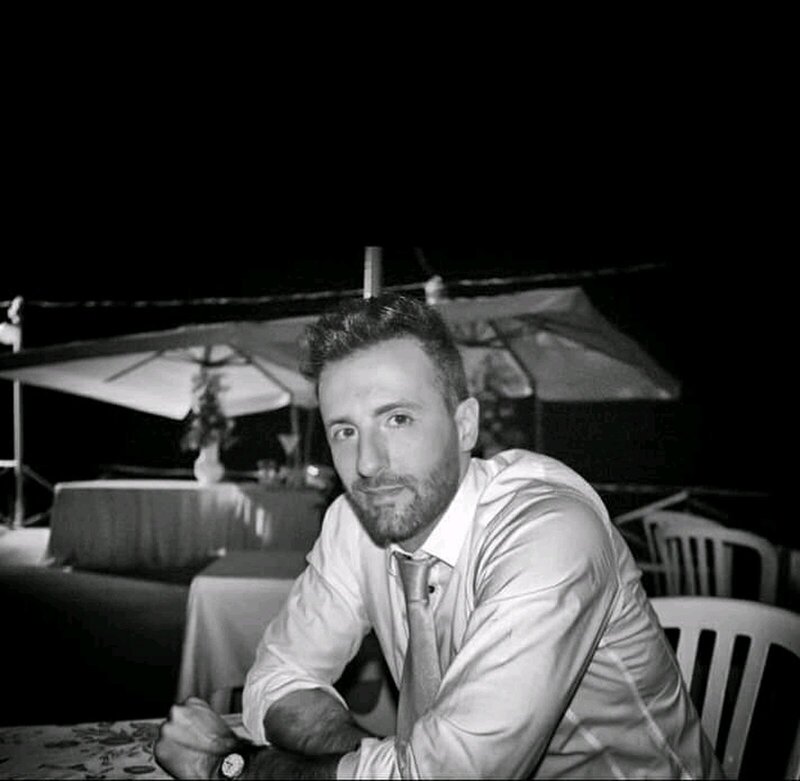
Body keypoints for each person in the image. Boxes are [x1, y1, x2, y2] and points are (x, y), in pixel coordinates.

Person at [155, 294, 722, 779]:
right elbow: (278, 677)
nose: (367, 464)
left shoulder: (549, 532)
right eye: (345, 431)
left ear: (465, 425)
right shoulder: (355, 521)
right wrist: (384, 762)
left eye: (397, 419)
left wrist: (235, 767)